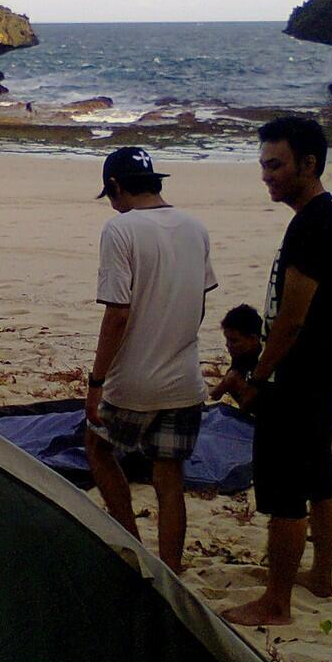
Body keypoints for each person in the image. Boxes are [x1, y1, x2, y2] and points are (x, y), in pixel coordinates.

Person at [220, 117, 332, 627]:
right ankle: (320, 576)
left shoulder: (313, 224)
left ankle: (275, 601)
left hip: (300, 377)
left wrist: (258, 376)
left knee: (284, 493)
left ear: (309, 163)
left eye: (276, 165)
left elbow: (292, 318)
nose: (266, 176)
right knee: (319, 477)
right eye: (262, 165)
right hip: (325, 371)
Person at [84, 146, 218, 573]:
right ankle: (172, 568)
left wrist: (96, 380)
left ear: (116, 187)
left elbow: (117, 313)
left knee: (97, 448)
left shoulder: (120, 230)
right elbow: (198, 305)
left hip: (133, 382)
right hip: (184, 379)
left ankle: (131, 546)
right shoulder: (195, 228)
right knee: (169, 479)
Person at [208, 304, 263, 403]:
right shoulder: (241, 353)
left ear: (253, 339)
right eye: (227, 339)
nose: (228, 345)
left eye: (234, 341)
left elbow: (216, 394)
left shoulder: (266, 356)